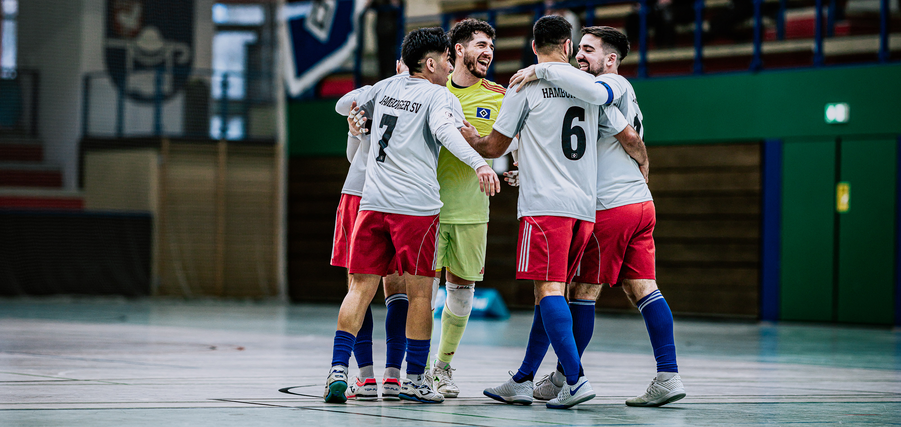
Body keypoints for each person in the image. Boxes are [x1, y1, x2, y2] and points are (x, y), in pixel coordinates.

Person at [509, 25, 686, 407]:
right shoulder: (601, 90)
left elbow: (630, 138)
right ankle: (668, 375)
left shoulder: (611, 84)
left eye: (589, 50)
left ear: (610, 59)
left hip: (610, 207)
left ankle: (564, 379)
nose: (580, 57)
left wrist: (540, 69)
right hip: (638, 204)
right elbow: (630, 142)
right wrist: (643, 162)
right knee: (642, 287)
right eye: (580, 49)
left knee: (580, 293)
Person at [323, 27, 501, 404]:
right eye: (448, 60)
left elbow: (343, 104)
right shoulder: (439, 95)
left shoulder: (383, 87)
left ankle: (338, 370)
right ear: (432, 62)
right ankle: (416, 379)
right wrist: (480, 164)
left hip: (372, 204)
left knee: (359, 289)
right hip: (415, 210)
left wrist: (356, 117)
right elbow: (446, 133)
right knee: (421, 294)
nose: (450, 67)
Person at [461, 15, 600, 410]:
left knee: (548, 290)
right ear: (569, 48)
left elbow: (494, 147)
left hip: (545, 207)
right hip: (584, 208)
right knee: (551, 291)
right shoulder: (590, 88)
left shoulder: (526, 84)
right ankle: (523, 378)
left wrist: (471, 136)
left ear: (533, 45)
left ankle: (574, 379)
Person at [426, 18, 508, 399]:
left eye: (491, 46)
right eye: (479, 44)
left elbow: (511, 144)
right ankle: (416, 369)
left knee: (461, 291)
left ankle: (442, 367)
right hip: (424, 205)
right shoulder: (430, 89)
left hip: (472, 209)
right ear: (457, 50)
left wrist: (514, 166)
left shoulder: (500, 95)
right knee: (420, 293)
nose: (488, 52)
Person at [331, 60, 411, 402]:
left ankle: (370, 377)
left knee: (361, 288)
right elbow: (353, 145)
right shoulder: (424, 94)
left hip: (370, 194)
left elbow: (343, 113)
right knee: (393, 288)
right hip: (390, 196)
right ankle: (385, 376)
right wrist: (354, 128)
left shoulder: (381, 93)